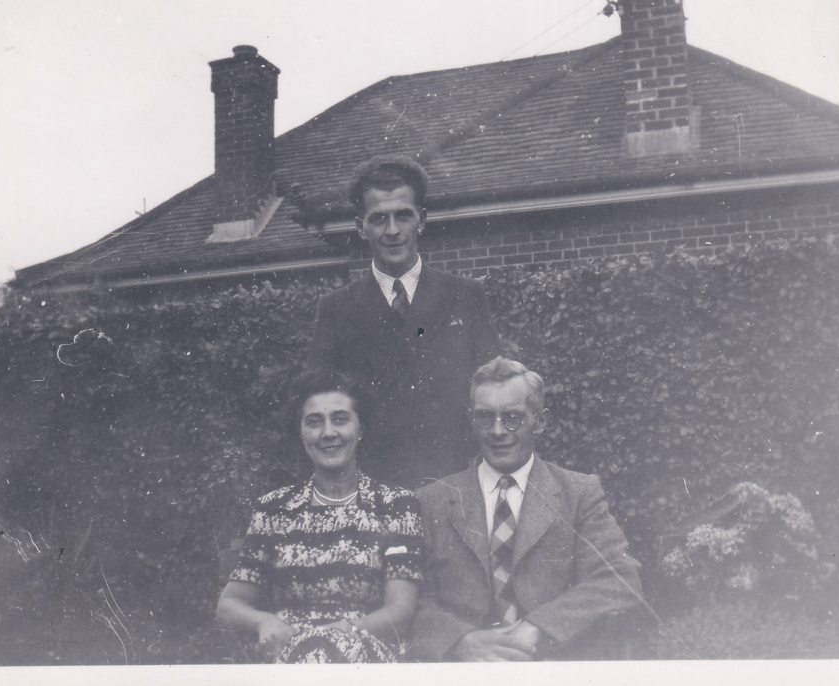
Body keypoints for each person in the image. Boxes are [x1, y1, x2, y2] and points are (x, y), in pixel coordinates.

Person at [411, 357, 643, 662]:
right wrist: (459, 641)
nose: (497, 431)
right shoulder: (432, 500)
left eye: (512, 417)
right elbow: (412, 599)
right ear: (471, 420)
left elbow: (620, 578)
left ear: (541, 421)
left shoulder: (578, 493)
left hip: (552, 666)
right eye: (484, 417)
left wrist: (539, 626)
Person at [308, 154, 501, 489]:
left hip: (457, 485)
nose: (393, 230)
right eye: (379, 218)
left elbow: (495, 396)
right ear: (360, 227)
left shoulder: (466, 297)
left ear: (421, 220)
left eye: (403, 216)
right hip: (372, 494)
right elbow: (318, 408)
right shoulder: (336, 310)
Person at [215, 369, 423, 663]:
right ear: (301, 433)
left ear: (360, 429)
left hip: (365, 656)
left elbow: (401, 610)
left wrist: (341, 632)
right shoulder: (275, 509)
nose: (328, 433)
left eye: (340, 419)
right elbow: (229, 605)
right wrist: (264, 621)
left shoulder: (395, 505)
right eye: (314, 422)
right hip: (287, 659)